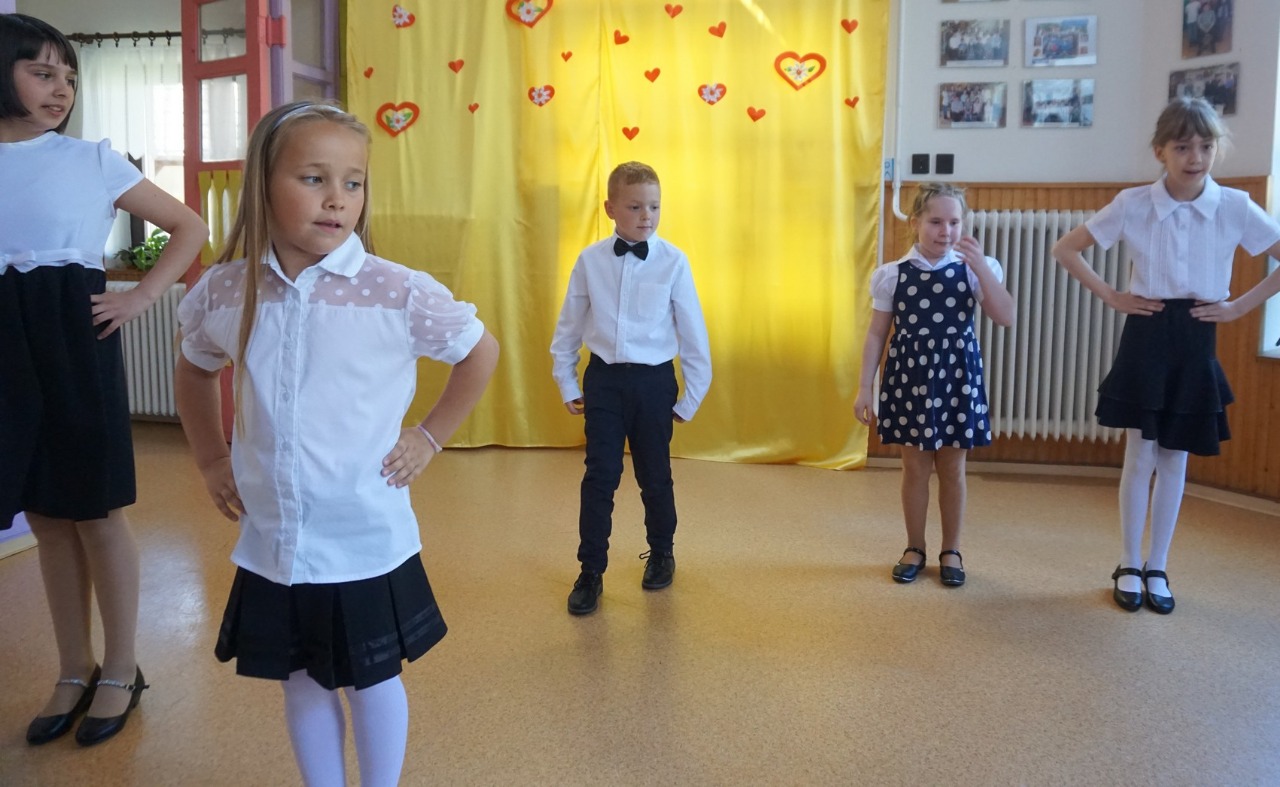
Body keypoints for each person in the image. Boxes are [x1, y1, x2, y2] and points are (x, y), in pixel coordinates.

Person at [173, 100, 498, 785]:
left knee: (371, 680)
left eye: (353, 183)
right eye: (314, 178)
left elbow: (479, 351)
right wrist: (210, 457)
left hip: (363, 538)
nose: (337, 199)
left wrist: (429, 436)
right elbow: (195, 368)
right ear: (263, 184)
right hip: (276, 540)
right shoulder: (226, 292)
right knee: (300, 681)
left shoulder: (396, 290)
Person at [0, 13, 208, 747]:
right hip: (6, 347)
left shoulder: (91, 159)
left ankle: (120, 667)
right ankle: (73, 667)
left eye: (69, 76)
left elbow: (189, 227)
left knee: (95, 511)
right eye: (42, 72)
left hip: (72, 338)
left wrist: (140, 296)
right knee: (45, 514)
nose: (61, 88)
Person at [1052, 96, 1280, 615]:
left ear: (1216, 149)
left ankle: (1158, 564)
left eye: (1205, 146)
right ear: (1161, 151)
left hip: (1198, 334)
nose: (1195, 157)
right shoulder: (1133, 203)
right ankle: (1129, 561)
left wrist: (1239, 307)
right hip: (1147, 331)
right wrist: (1112, 295)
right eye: (1182, 147)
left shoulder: (1234, 206)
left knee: (1175, 455)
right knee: (1141, 453)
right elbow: (1065, 248)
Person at [550, 161, 712, 616]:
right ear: (610, 208)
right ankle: (590, 571)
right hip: (603, 380)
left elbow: (694, 334)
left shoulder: (674, 262)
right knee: (599, 476)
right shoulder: (590, 261)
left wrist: (691, 397)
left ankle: (661, 551)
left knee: (654, 474)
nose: (647, 216)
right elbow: (569, 325)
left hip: (653, 383)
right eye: (635, 206)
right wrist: (566, 379)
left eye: (654, 207)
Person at [853, 183, 1016, 587]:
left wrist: (980, 269)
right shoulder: (893, 275)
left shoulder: (976, 269)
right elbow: (876, 334)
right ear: (915, 223)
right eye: (936, 222)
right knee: (914, 468)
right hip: (909, 379)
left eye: (955, 222)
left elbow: (1005, 316)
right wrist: (864, 387)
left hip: (957, 379)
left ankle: (951, 549)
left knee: (953, 467)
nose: (946, 231)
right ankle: (914, 546)